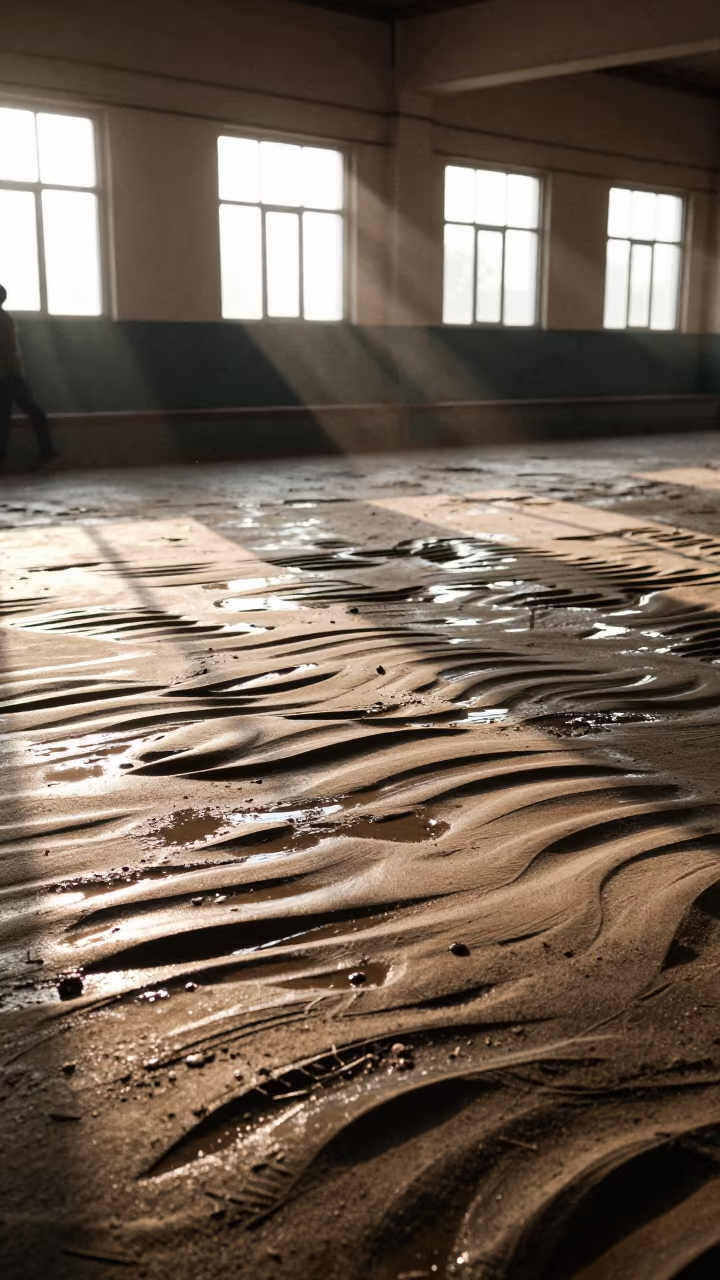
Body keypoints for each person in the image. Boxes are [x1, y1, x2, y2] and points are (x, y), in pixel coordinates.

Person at [0, 283, 58, 468]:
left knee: (4, 416)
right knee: (26, 411)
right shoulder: (5, 319)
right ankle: (47, 450)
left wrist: (11, 373)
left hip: (7, 375)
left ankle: (46, 451)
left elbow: (8, 350)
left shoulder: (3, 320)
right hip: (11, 374)